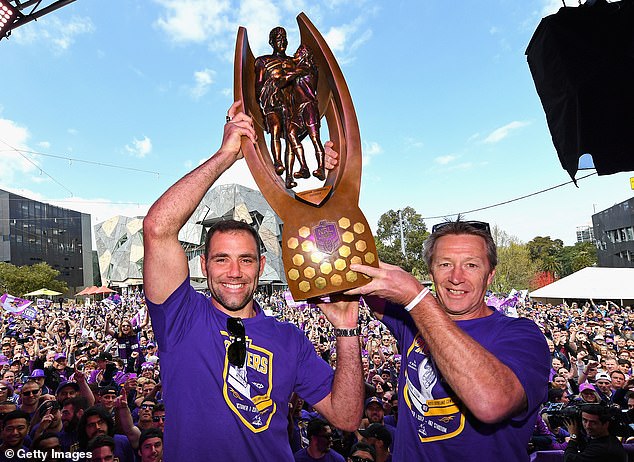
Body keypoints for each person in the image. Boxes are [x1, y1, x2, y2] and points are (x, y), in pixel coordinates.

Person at [142, 101, 363, 460]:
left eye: (245, 259)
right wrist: (226, 155)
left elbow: (348, 416)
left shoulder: (289, 339)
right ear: (203, 265)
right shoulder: (180, 318)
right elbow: (157, 228)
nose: (234, 272)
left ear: (261, 265)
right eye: (221, 259)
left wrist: (347, 330)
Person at [322, 207, 550, 460]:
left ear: (490, 276)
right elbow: (354, 261)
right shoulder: (411, 320)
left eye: (471, 265)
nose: (456, 277)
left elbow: (491, 404)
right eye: (445, 264)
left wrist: (417, 298)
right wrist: (332, 188)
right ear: (431, 273)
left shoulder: (522, 335)